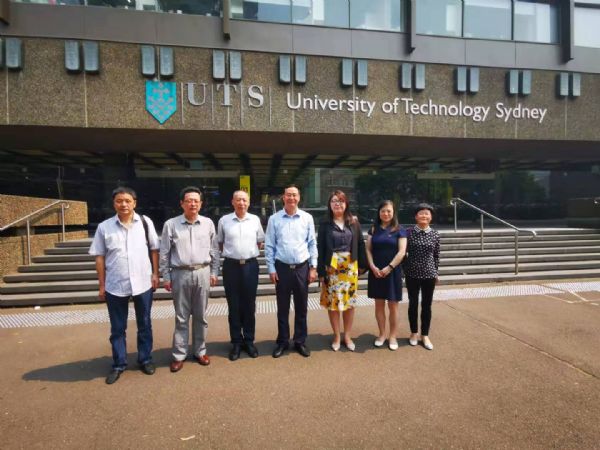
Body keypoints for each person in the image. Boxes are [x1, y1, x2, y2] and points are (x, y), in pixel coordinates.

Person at [89, 187, 160, 385]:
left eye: (128, 201)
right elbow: (99, 257)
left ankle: (145, 359)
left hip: (143, 282)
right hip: (115, 285)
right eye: (119, 201)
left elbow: (154, 249)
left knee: (144, 324)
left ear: (134, 203)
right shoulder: (104, 227)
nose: (124, 204)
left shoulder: (145, 223)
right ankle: (119, 364)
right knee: (117, 328)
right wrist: (101, 285)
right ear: (114, 204)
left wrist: (155, 274)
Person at [160, 186, 219, 372]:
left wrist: (214, 272)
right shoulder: (171, 224)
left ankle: (200, 351)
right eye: (188, 200)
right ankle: (179, 354)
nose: (192, 204)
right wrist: (166, 276)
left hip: (203, 272)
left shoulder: (208, 223)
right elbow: (164, 253)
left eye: (196, 201)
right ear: (181, 203)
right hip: (180, 273)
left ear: (201, 204)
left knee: (201, 316)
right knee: (181, 317)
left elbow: (214, 250)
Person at [265, 184, 318, 358]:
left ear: (299, 198)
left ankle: (300, 341)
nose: (291, 198)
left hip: (302, 268)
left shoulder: (307, 218)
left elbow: (312, 243)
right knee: (282, 308)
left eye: (294, 195)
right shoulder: (274, 219)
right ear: (283, 197)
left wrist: (313, 267)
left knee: (302, 307)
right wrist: (271, 268)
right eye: (288, 195)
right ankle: (282, 341)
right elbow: (269, 245)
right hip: (282, 268)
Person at [216, 190, 265, 361]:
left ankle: (249, 340)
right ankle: (236, 342)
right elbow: (220, 243)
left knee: (249, 305)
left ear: (249, 202)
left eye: (244, 200)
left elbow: (259, 242)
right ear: (232, 202)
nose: (241, 203)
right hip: (231, 266)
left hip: (250, 266)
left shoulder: (255, 220)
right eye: (238, 200)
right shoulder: (224, 220)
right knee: (234, 305)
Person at [317, 190, 367, 352]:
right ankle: (337, 336)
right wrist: (320, 271)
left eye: (340, 201)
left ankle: (347, 336)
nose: (337, 204)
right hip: (331, 268)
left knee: (349, 303)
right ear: (329, 204)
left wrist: (362, 265)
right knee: (333, 304)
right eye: (334, 201)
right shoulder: (325, 223)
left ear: (346, 204)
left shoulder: (354, 222)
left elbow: (360, 243)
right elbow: (320, 247)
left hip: (350, 267)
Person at [365, 200, 407, 351]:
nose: (386, 213)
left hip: (393, 272)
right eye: (383, 211)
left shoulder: (400, 230)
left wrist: (389, 267)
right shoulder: (373, 229)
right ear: (379, 212)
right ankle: (382, 334)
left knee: (393, 306)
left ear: (393, 212)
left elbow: (401, 252)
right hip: (376, 272)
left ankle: (393, 336)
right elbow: (368, 249)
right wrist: (372, 266)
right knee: (379, 305)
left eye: (389, 211)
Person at [403, 203, 440, 351]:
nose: (424, 215)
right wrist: (405, 269)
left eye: (427, 213)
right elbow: (402, 253)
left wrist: (436, 272)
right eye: (421, 213)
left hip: (429, 275)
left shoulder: (435, 234)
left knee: (427, 305)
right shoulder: (409, 232)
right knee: (413, 304)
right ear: (416, 216)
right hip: (412, 274)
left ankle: (425, 335)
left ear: (431, 217)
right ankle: (414, 333)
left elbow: (436, 255)